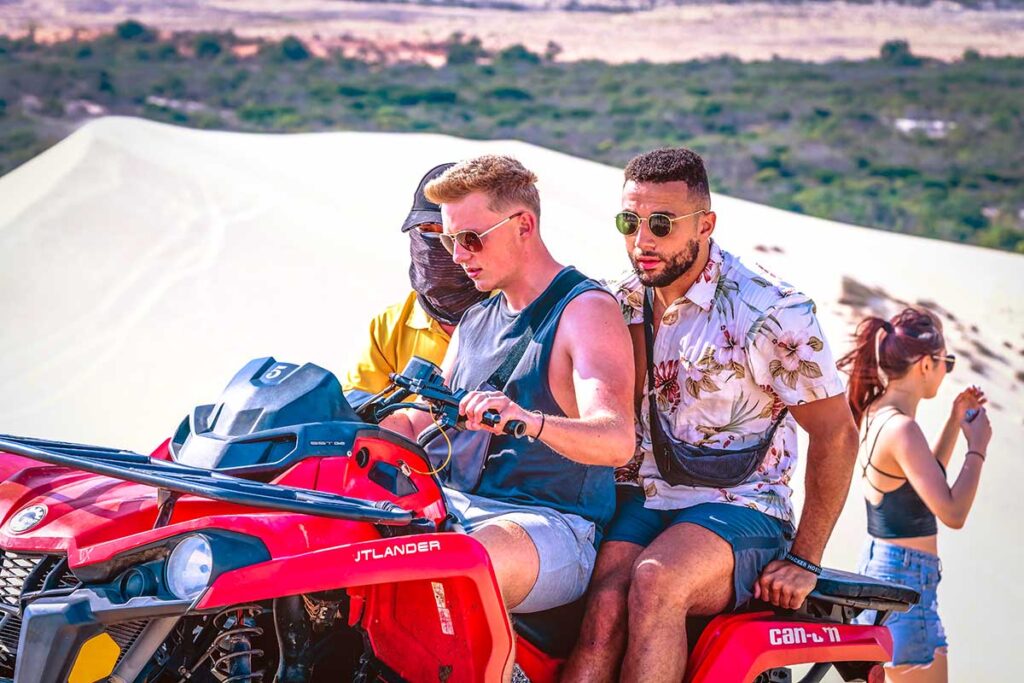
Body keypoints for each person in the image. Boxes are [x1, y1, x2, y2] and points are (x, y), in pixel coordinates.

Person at [563, 147, 860, 682]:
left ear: (705, 224)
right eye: (628, 222)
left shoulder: (770, 310)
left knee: (657, 581)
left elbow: (836, 434)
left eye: (660, 224)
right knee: (603, 607)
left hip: (744, 504)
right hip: (648, 497)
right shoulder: (618, 301)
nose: (641, 241)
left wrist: (805, 559)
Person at [380, 155, 634, 627]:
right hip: (454, 506)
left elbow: (617, 440)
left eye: (471, 239)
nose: (458, 256)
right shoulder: (475, 319)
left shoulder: (585, 311)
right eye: (451, 240)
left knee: (459, 566)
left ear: (523, 225)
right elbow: (423, 418)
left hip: (551, 525)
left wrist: (526, 419)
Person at [838, 308, 990, 682]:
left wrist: (955, 422)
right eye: (946, 362)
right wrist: (978, 448)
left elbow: (922, 485)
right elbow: (952, 512)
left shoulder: (879, 412)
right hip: (908, 585)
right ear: (925, 364)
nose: (945, 371)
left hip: (884, 572)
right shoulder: (903, 429)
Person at [343, 162, 488, 406]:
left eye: (449, 233)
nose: (435, 244)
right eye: (425, 230)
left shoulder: (512, 316)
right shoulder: (389, 325)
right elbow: (355, 404)